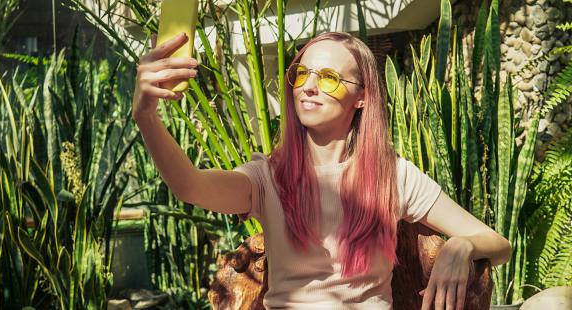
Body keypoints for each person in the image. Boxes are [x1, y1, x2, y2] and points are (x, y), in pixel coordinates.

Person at [133, 31, 511, 309]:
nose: (308, 87)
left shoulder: (391, 175)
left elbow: (498, 244)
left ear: (362, 97)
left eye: (328, 78)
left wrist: (463, 244)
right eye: (302, 73)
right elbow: (191, 186)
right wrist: (146, 116)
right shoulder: (268, 176)